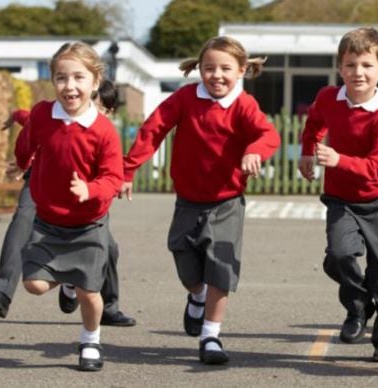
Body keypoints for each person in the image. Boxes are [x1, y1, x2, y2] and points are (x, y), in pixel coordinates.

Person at [119, 36, 280, 365]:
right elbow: (153, 129)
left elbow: (268, 135)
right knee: (187, 268)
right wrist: (128, 169)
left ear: (242, 71)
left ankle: (211, 336)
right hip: (189, 200)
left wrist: (254, 151)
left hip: (227, 201)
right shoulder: (185, 98)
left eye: (225, 69)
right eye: (209, 68)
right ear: (199, 69)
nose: (216, 75)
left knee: (221, 267)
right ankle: (196, 297)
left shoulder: (243, 105)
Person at [0, 80, 136, 328]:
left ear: (109, 111)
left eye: (100, 107)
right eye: (91, 101)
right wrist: (16, 126)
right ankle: (2, 289)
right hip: (44, 183)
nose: (91, 108)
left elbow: (113, 172)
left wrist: (115, 182)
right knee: (22, 221)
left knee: (110, 248)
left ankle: (106, 306)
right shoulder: (54, 115)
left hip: (84, 197)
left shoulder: (101, 131)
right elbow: (28, 119)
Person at [299, 27, 378, 363]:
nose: (357, 72)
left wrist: (338, 159)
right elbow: (315, 122)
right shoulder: (329, 97)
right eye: (350, 65)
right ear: (339, 68)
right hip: (341, 198)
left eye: (365, 65)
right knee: (341, 256)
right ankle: (358, 307)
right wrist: (307, 151)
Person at [13, 42, 124, 372]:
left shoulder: (103, 130)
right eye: (61, 78)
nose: (70, 86)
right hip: (47, 221)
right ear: (53, 80)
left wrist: (89, 189)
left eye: (78, 77)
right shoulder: (43, 115)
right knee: (33, 285)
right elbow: (28, 140)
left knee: (90, 292)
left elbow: (113, 177)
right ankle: (68, 282)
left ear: (95, 81)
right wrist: (21, 161)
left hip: (89, 224)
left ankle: (90, 339)